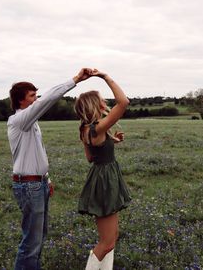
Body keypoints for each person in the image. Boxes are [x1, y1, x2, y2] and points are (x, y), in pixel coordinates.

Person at [7, 68, 93, 270]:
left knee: (38, 237)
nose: (37, 99)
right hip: (29, 186)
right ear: (21, 101)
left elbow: (36, 153)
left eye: (36, 94)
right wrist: (75, 80)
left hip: (38, 183)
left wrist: (47, 179)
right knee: (31, 241)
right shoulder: (19, 120)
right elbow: (48, 99)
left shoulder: (31, 123)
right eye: (32, 96)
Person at [74, 69, 131, 270]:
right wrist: (105, 77)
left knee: (112, 238)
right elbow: (123, 102)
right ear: (96, 105)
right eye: (102, 100)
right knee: (107, 242)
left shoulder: (86, 128)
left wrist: (110, 142)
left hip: (102, 178)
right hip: (105, 182)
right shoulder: (97, 128)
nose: (106, 103)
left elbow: (91, 157)